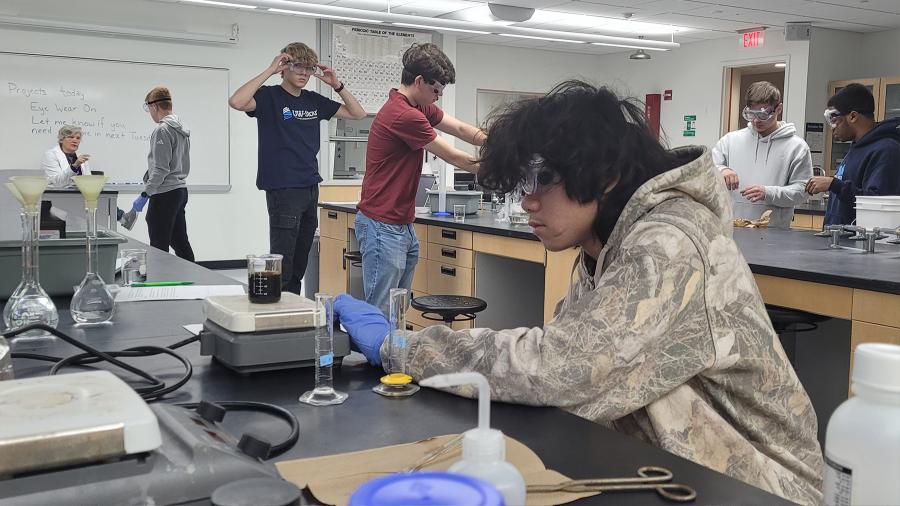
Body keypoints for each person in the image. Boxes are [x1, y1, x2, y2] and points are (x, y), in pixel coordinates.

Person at [335, 81, 824, 505]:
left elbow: (561, 368)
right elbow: (569, 357)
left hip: (758, 488)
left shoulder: (670, 243)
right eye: (523, 182)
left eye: (543, 179)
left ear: (605, 175)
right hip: (675, 468)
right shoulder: (606, 242)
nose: (527, 201)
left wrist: (400, 346)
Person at [357, 42, 484, 316]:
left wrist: (502, 142)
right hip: (382, 225)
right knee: (379, 310)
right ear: (418, 81)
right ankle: (376, 358)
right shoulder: (403, 115)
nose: (438, 96)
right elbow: (454, 157)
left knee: (398, 309)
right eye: (436, 89)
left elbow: (461, 129)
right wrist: (501, 168)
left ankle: (393, 357)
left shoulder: (417, 106)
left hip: (401, 224)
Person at [229, 42, 366, 294]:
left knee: (300, 262)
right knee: (283, 260)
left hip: (310, 187)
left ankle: (292, 309)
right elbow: (237, 101)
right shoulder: (269, 97)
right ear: (285, 67)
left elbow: (358, 113)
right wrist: (269, 70)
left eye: (309, 68)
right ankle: (277, 314)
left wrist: (338, 85)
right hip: (284, 189)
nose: (304, 73)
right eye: (298, 66)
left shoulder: (313, 100)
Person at [712, 81, 813, 229]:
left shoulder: (797, 147)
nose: (756, 120)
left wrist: (769, 193)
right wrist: (722, 170)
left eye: (762, 114)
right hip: (732, 229)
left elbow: (802, 191)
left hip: (774, 233)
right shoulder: (730, 140)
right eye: (751, 114)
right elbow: (707, 170)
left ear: (779, 109)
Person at [806, 83, 900, 225]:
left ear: (853, 116)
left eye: (834, 119)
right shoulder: (857, 147)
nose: (832, 127)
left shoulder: (886, 150)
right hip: (838, 241)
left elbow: (876, 204)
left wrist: (834, 184)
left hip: (859, 244)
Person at [132, 86, 195, 261]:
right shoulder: (181, 128)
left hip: (165, 193)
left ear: (154, 106)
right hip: (179, 191)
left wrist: (146, 193)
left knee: (159, 245)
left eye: (148, 109)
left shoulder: (162, 130)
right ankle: (194, 281)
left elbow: (161, 168)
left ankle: (159, 284)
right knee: (180, 242)